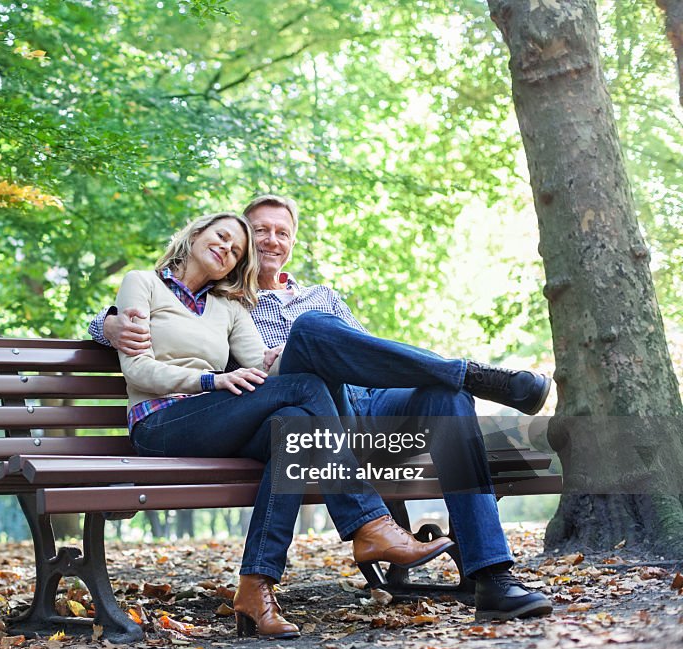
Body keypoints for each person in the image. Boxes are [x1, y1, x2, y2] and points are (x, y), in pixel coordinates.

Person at [91, 195, 554, 622]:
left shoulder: (322, 295)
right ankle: (471, 376)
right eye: (258, 232)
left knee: (446, 399)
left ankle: (492, 578)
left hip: (363, 407)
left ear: (292, 242)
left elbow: (372, 353)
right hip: (308, 408)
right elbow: (142, 328)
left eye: (282, 232)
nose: (270, 240)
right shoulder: (233, 300)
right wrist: (108, 324)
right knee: (310, 334)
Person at [113, 211, 454, 639]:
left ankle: (256, 587)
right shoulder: (141, 282)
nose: (226, 249)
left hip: (216, 421)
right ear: (195, 233)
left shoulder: (229, 306)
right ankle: (369, 524)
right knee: (305, 394)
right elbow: (139, 369)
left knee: (294, 426)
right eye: (221, 237)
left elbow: (262, 365)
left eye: (236, 251)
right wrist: (210, 380)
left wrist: (288, 355)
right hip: (160, 422)